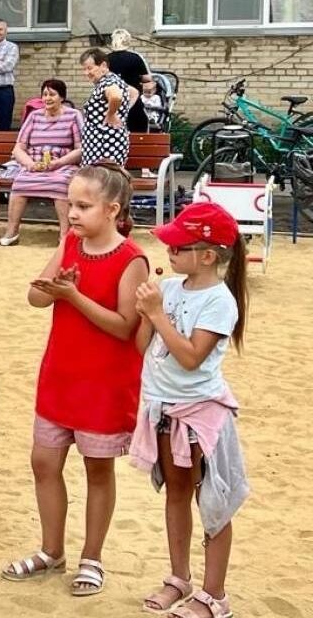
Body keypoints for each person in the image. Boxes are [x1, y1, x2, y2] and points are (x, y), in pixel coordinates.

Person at [1, 164, 149, 597]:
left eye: (84, 205)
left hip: (103, 383)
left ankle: (92, 557)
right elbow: (34, 298)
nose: (74, 212)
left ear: (112, 209)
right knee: (43, 463)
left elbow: (125, 326)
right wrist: (55, 287)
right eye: (73, 203)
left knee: (97, 470)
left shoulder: (131, 258)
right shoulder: (70, 242)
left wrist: (74, 296)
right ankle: (51, 550)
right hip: (60, 376)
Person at [130, 202, 249, 618]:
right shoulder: (172, 289)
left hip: (200, 414)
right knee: (177, 494)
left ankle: (215, 595)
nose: (170, 252)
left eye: (179, 246)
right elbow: (145, 347)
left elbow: (191, 357)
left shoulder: (220, 301)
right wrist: (149, 312)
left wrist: (157, 314)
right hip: (164, 409)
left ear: (208, 255)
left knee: (213, 503)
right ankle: (179, 577)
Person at [0, 80, 84, 246]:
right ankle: (12, 231)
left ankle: (65, 236)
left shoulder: (73, 115)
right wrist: (30, 164)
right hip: (35, 164)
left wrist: (58, 163)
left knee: (59, 183)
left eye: (52, 94)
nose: (47, 98)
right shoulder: (34, 116)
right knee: (20, 182)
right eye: (44, 94)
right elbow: (18, 148)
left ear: (62, 97)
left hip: (63, 163)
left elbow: (80, 149)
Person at [79, 48, 132, 166]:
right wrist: (124, 110)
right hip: (101, 143)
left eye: (90, 68)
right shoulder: (112, 80)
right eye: (84, 69)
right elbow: (133, 92)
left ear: (103, 65)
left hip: (104, 145)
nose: (86, 73)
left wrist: (111, 114)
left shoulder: (108, 82)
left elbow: (116, 96)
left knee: (102, 181)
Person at [106, 29, 152, 134]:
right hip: (132, 100)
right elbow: (147, 78)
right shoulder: (135, 57)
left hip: (111, 101)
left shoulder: (107, 59)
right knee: (139, 129)